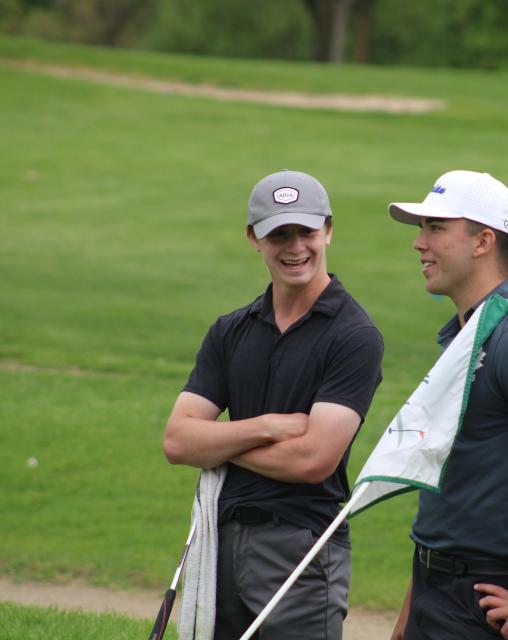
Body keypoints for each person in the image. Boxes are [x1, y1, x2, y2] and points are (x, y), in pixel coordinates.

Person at [163, 169, 384, 640]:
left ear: (328, 230)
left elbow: (313, 460)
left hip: (301, 550)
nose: (295, 247)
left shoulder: (354, 336)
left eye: (305, 231)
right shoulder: (231, 330)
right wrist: (266, 426)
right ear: (253, 239)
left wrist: (218, 444)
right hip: (222, 543)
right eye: (278, 234)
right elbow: (178, 441)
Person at [386, 170, 508, 640]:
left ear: (482, 242)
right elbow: (453, 488)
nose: (419, 243)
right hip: (434, 586)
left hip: (487, 602)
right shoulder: (465, 336)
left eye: (435, 228)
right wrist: (412, 608)